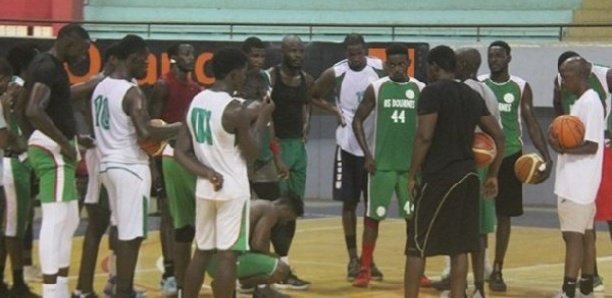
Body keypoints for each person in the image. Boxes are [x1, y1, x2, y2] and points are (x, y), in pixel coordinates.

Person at [404, 45, 505, 298]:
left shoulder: (431, 92)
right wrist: (492, 174)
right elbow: (500, 137)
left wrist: (412, 173)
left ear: (435, 66)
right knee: (460, 247)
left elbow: (424, 136)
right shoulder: (471, 95)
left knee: (417, 245)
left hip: (440, 177)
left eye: (429, 67)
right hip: (469, 177)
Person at [174, 47, 274, 298]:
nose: (244, 78)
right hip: (231, 189)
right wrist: (263, 117)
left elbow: (180, 152)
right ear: (234, 74)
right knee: (228, 255)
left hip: (206, 187)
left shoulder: (197, 100)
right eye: (242, 73)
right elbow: (251, 152)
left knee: (203, 251)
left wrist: (206, 173)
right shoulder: (234, 110)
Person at [91, 34, 181, 298]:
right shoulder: (131, 91)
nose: (146, 68)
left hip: (107, 164)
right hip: (130, 166)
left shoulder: (101, 86)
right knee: (132, 235)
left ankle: (115, 282)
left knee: (120, 228)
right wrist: (177, 127)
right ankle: (124, 291)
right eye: (144, 62)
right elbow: (145, 134)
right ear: (132, 59)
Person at [310, 33, 386, 281]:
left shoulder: (379, 69)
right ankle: (353, 258)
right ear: (346, 52)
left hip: (372, 146)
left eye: (359, 52)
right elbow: (312, 95)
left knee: (371, 205)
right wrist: (333, 109)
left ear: (366, 50)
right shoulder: (335, 73)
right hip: (347, 145)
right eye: (351, 53)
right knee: (349, 204)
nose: (355, 57)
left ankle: (368, 259)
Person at [478, 40, 553, 292]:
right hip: (484, 155)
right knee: (481, 215)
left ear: (509, 58)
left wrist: (546, 155)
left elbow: (531, 122)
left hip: (510, 155)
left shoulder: (520, 86)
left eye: (499, 56)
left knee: (505, 215)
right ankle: (483, 267)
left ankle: (498, 268)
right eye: (491, 56)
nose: (494, 59)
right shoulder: (480, 83)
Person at [24, 23, 91, 298]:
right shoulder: (47, 66)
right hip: (53, 149)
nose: (83, 57)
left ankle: (60, 287)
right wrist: (65, 144)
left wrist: (75, 139)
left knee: (70, 216)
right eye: (82, 50)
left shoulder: (50, 66)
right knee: (56, 218)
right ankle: (53, 291)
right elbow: (32, 110)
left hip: (54, 145)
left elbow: (43, 105)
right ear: (68, 41)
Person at [351, 43, 425, 288]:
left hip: (410, 168)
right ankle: (364, 269)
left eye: (401, 64)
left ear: (408, 64)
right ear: (385, 65)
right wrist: (367, 155)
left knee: (413, 220)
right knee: (373, 218)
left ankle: (418, 271)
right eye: (391, 64)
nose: (396, 68)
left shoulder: (420, 89)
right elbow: (357, 120)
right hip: (382, 165)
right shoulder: (376, 88)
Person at [267, 34, 337, 289]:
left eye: (300, 50)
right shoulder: (272, 77)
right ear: (282, 52)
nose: (297, 54)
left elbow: (308, 103)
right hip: (278, 146)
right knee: (275, 211)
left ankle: (284, 265)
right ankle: (269, 269)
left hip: (298, 147)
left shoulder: (306, 79)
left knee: (293, 210)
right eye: (292, 50)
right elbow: (267, 114)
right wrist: (275, 152)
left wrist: (308, 124)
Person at [552, 51, 612, 293]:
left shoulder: (590, 102)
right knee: (586, 234)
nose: (562, 80)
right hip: (580, 181)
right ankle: (587, 282)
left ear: (579, 76)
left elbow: (591, 145)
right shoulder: (582, 101)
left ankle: (568, 288)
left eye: (566, 76)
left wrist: (559, 145)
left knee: (572, 237)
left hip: (577, 182)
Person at [150, 42, 202, 296]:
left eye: (192, 53)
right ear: (172, 58)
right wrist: (154, 168)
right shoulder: (163, 84)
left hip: (189, 157)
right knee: (169, 216)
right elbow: (152, 128)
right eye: (185, 53)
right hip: (166, 156)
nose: (190, 57)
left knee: (187, 217)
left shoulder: (196, 89)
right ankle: (169, 273)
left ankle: (185, 272)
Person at [69, 44, 119, 298]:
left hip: (112, 161)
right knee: (98, 225)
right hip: (100, 161)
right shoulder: (97, 82)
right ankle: (83, 287)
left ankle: (114, 282)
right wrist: (81, 132)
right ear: (113, 60)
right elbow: (71, 101)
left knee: (118, 225)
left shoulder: (117, 83)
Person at [208, 194, 304, 298]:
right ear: (286, 209)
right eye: (288, 218)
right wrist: (273, 256)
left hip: (211, 262)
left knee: (257, 259)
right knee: (282, 269)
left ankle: (229, 283)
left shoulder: (256, 204)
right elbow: (258, 244)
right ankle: (228, 283)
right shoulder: (271, 209)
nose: (284, 222)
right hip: (225, 261)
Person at [6, 44, 43, 285]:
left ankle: (26, 265)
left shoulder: (19, 87)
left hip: (21, 159)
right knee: (15, 221)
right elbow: (12, 124)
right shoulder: (18, 89)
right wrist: (24, 148)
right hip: (16, 159)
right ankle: (21, 272)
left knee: (24, 216)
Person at [242, 36, 288, 202]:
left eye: (262, 56)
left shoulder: (265, 77)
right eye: (255, 56)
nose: (259, 60)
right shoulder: (236, 79)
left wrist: (277, 157)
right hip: (242, 154)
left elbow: (269, 119)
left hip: (264, 154)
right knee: (243, 206)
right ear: (245, 56)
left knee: (272, 204)